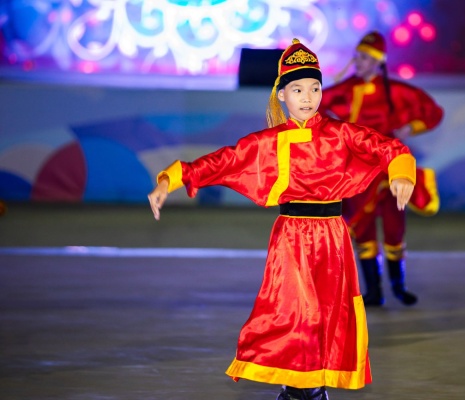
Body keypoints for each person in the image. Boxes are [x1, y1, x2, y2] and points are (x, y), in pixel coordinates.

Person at [148, 39, 416, 400]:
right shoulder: (269, 142)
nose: (308, 97)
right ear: (282, 95)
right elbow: (223, 162)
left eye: (315, 88)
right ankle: (300, 388)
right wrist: (171, 179)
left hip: (332, 239)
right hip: (291, 238)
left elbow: (389, 148)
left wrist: (401, 172)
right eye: (298, 89)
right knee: (295, 312)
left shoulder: (341, 134)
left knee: (329, 313)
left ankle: (309, 388)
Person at [319, 31, 444, 308]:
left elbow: (433, 112)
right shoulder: (344, 90)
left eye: (365, 58)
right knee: (362, 228)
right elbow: (314, 108)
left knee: (394, 227)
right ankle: (374, 291)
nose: (358, 62)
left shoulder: (397, 91)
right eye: (357, 57)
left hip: (389, 171)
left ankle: (399, 287)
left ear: (378, 61)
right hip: (359, 172)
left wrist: (410, 127)